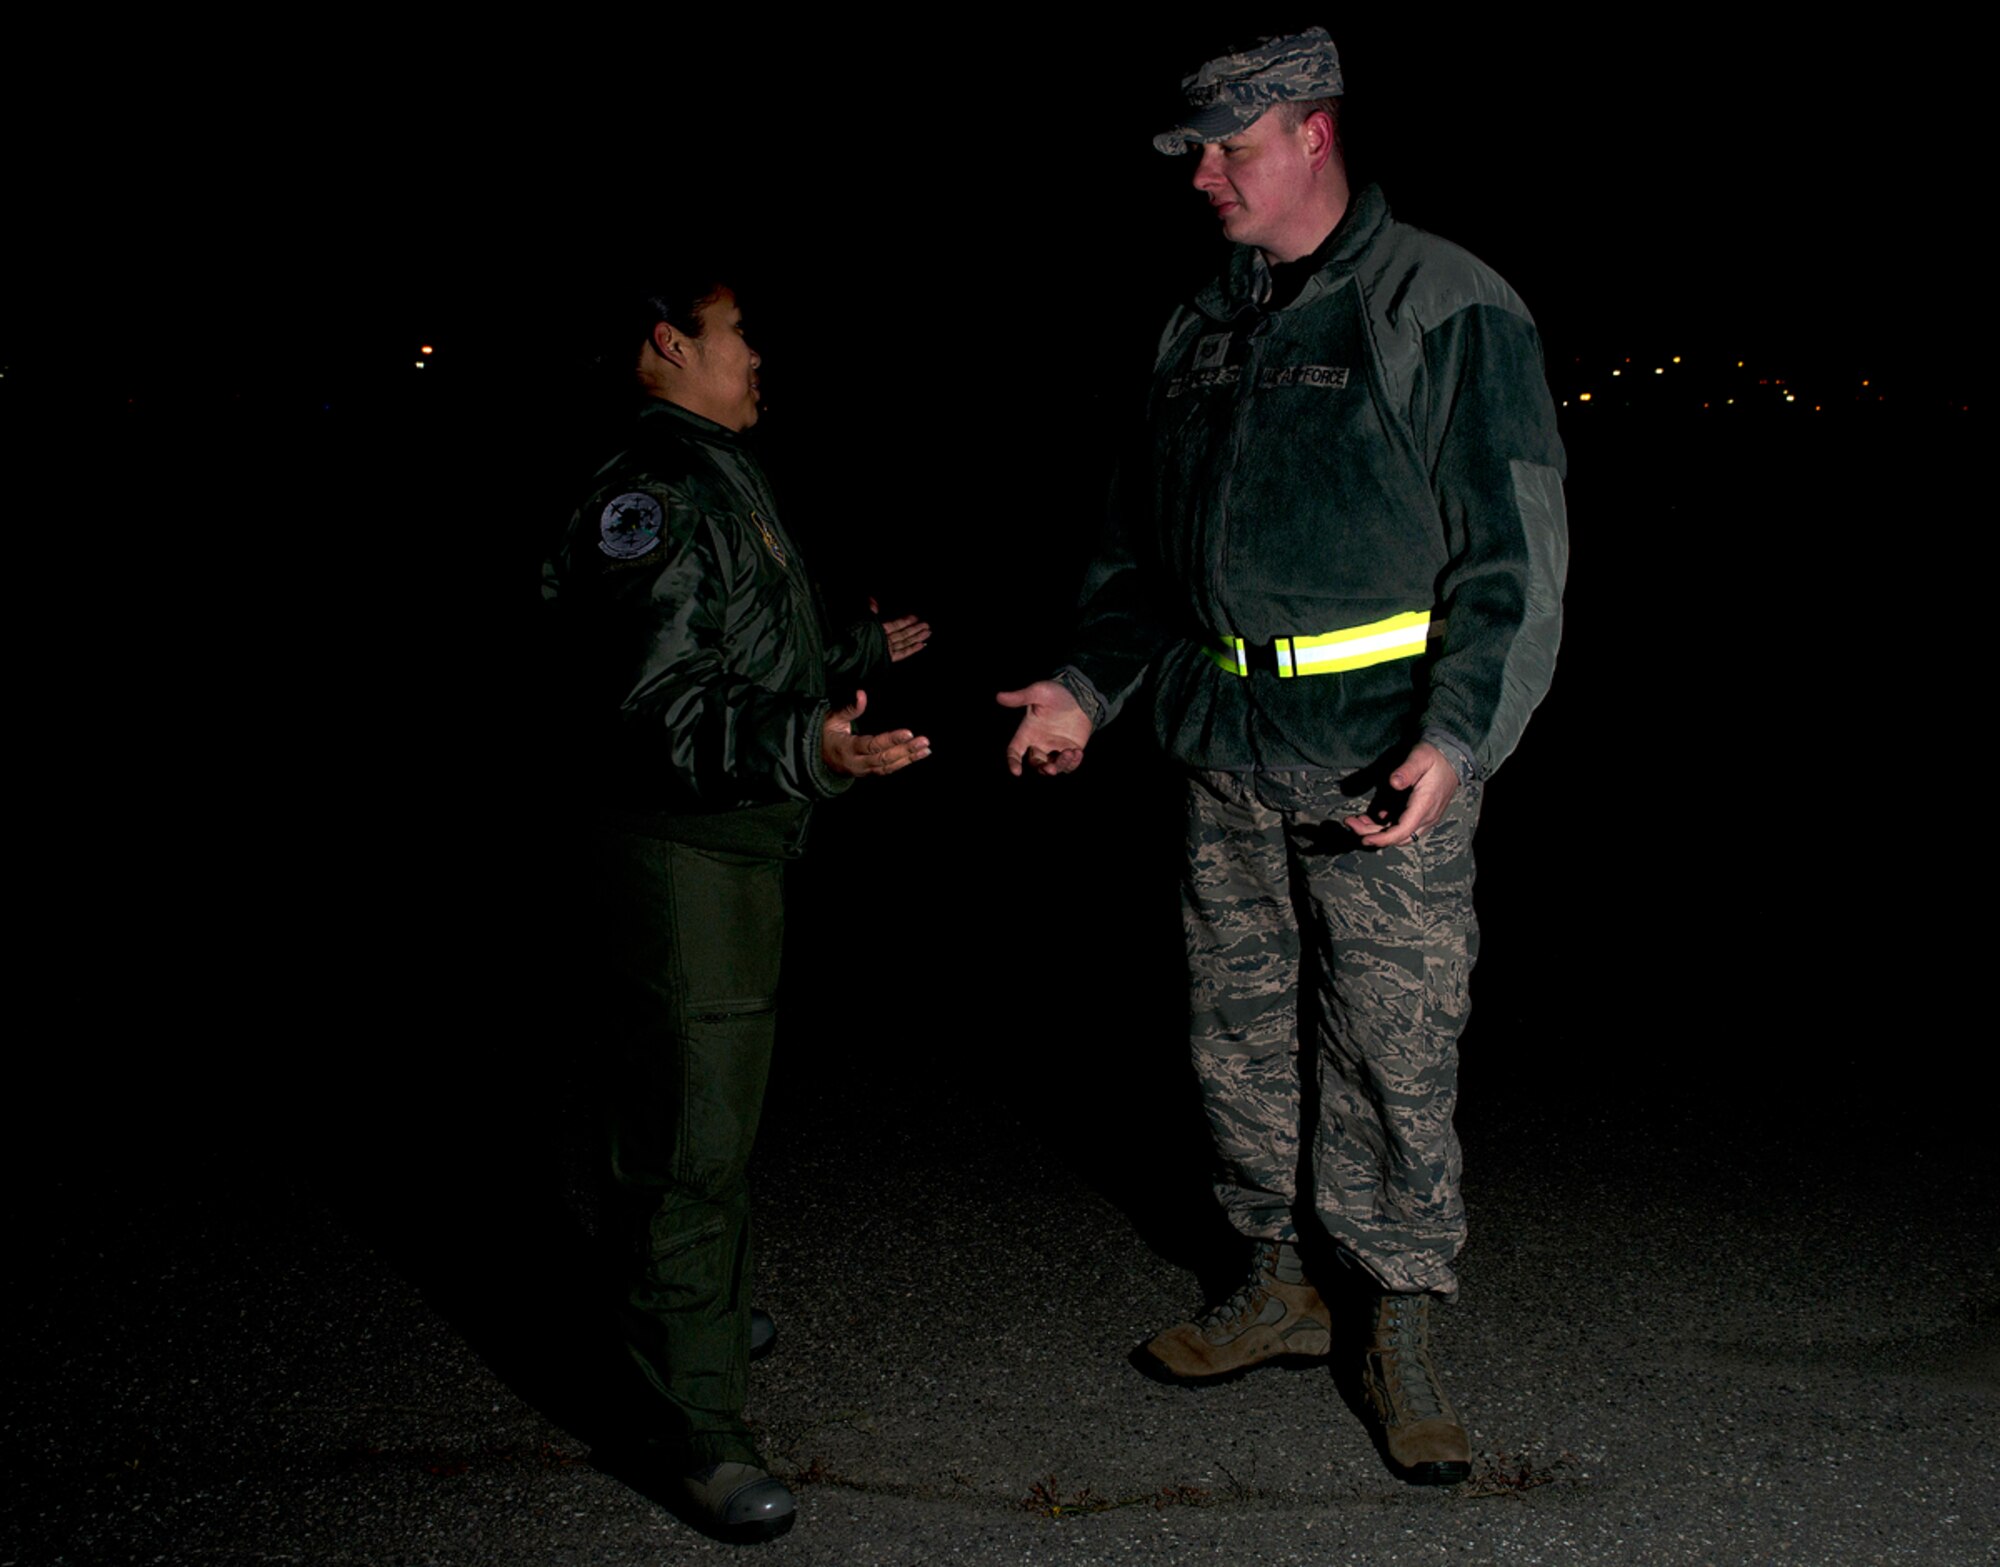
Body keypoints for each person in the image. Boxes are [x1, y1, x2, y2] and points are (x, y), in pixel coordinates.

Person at [999, 27, 1567, 1486]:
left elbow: (1513, 553)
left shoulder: (1441, 300)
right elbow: (1138, 559)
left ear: (1312, 133)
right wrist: (1083, 686)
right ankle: (1277, 1279)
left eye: (1228, 148)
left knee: (1392, 1046)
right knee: (1235, 1031)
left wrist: (1457, 735)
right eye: (1193, 150)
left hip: (1383, 757)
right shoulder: (1202, 326)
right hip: (1223, 743)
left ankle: (1400, 1316)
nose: (1202, 174)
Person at [542, 276, 930, 1542]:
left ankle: (696, 1309)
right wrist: (808, 747)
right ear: (669, 345)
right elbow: (651, 709)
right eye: (737, 334)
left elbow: (749, 642)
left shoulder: (715, 466)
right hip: (681, 857)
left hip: (734, 848)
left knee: (715, 1112)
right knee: (685, 1142)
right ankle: (691, 1427)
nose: (758, 356)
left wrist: (854, 655)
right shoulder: (646, 494)